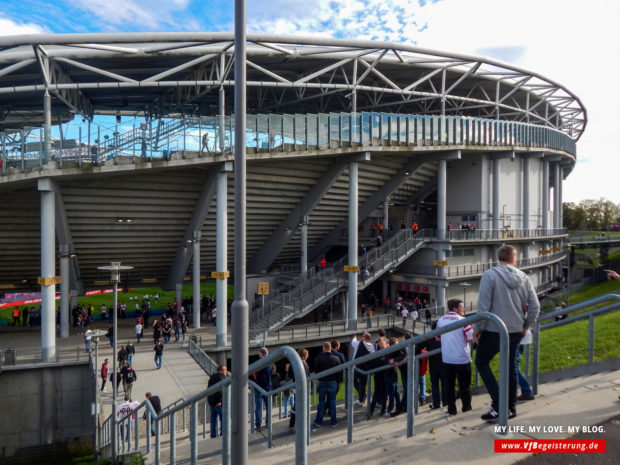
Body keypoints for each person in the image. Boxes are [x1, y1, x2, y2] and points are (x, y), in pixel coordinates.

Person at [474, 245, 540, 422]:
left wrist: (477, 328)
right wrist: (526, 325)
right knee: (510, 368)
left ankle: (498, 403)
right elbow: (535, 307)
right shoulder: (524, 277)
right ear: (513, 259)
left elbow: (483, 305)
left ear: (498, 258)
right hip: (516, 330)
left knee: (481, 362)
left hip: (494, 329)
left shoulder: (490, 275)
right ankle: (509, 408)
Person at [437, 299, 473, 417]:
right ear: (455, 308)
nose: (463, 309)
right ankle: (466, 407)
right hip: (462, 358)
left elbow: (437, 337)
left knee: (449, 386)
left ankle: (451, 410)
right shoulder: (464, 321)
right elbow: (470, 338)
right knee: (464, 385)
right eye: (462, 307)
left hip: (447, 359)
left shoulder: (441, 320)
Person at [313, 341, 342, 428]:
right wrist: (337, 382)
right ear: (330, 348)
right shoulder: (336, 358)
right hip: (332, 382)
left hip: (322, 382)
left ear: (324, 348)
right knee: (332, 402)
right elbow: (339, 373)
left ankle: (319, 421)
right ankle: (333, 421)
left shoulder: (318, 358)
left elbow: (316, 371)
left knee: (321, 402)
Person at [287, 348, 309, 432]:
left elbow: (290, 374)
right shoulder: (304, 365)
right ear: (303, 356)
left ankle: (293, 424)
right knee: (298, 406)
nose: (307, 357)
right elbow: (307, 375)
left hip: (296, 387)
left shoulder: (293, 363)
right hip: (301, 387)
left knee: (297, 406)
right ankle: (294, 424)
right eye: (307, 355)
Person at [351, 333, 375, 406]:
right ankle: (361, 399)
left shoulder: (359, 344)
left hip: (357, 367)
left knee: (353, 381)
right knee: (363, 384)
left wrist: (354, 337)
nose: (361, 338)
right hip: (366, 368)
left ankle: (362, 395)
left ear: (364, 338)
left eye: (362, 336)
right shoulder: (371, 346)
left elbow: (353, 342)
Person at [252, 347, 272, 432]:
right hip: (267, 387)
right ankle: (268, 423)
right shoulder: (270, 362)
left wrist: (255, 376)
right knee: (268, 407)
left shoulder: (260, 363)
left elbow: (254, 372)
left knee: (259, 407)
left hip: (259, 387)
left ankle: (258, 425)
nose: (258, 354)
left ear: (262, 353)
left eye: (259, 353)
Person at [207, 364, 228, 438]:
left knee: (213, 420)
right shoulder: (222, 378)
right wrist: (219, 401)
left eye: (226, 370)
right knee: (223, 419)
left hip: (211, 402)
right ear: (220, 371)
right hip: (219, 403)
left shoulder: (212, 377)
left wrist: (210, 401)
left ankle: (213, 435)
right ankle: (223, 434)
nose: (226, 371)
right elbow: (220, 391)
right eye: (224, 370)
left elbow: (208, 389)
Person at [516, 329, 534, 401]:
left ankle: (526, 391)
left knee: (513, 367)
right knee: (515, 366)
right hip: (520, 338)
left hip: (517, 338)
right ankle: (526, 391)